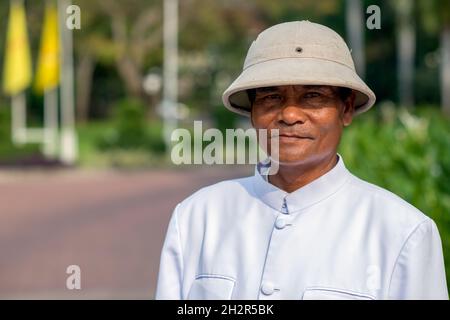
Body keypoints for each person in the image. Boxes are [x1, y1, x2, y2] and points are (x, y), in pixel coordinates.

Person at [155, 21, 448, 300]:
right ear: (252, 112)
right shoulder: (198, 218)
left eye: (313, 96)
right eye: (271, 97)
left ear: (346, 109)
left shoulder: (401, 232)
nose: (290, 115)